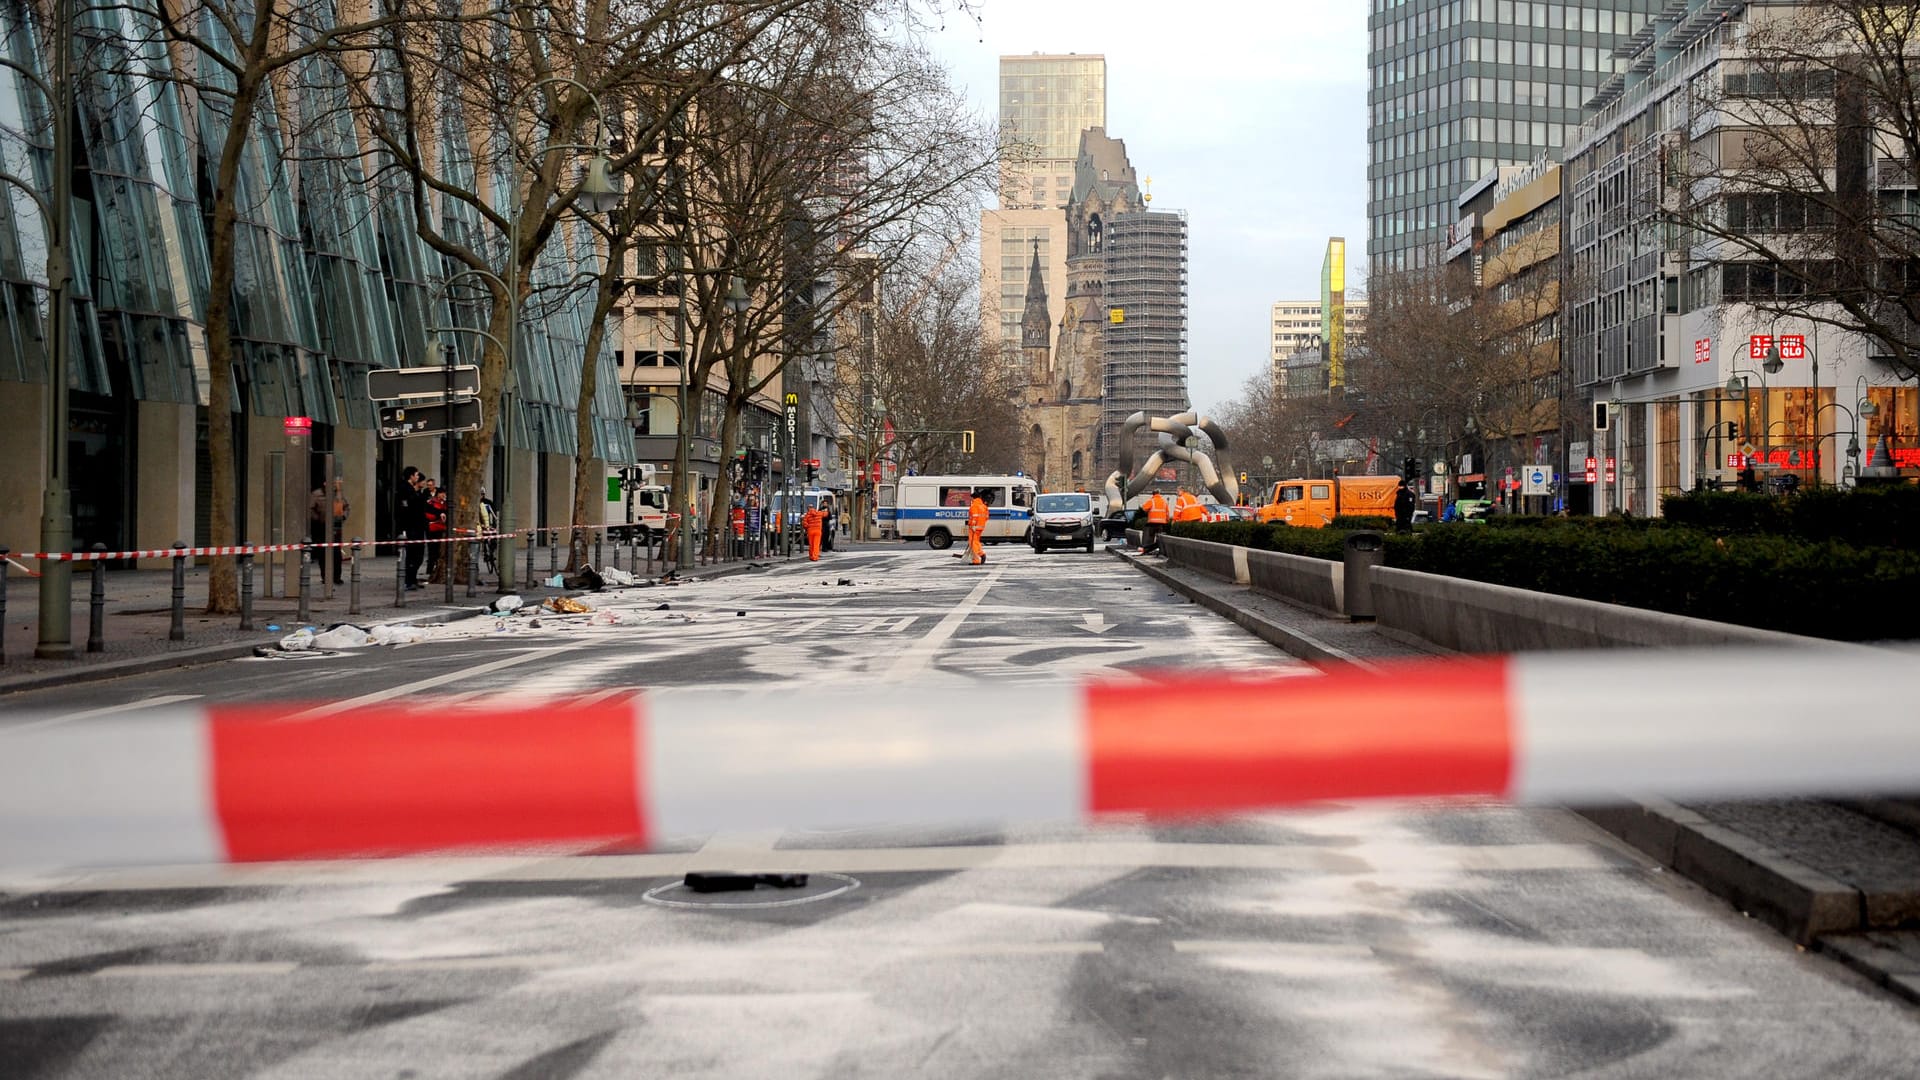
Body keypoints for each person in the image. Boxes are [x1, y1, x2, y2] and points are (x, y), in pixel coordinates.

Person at [308, 478, 350, 585]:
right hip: (321, 527)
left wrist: (343, 517)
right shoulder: (317, 494)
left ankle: (336, 577)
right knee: (323, 553)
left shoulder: (338, 495)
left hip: (335, 526)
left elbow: (346, 507)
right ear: (324, 483)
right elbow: (310, 508)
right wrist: (317, 518)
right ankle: (325, 576)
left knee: (336, 553)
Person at [397, 466, 427, 590]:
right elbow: (406, 507)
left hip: (418, 525)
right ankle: (408, 581)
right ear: (411, 476)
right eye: (416, 475)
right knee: (412, 554)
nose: (418, 477)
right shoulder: (405, 489)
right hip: (411, 526)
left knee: (418, 554)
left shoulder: (414, 490)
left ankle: (412, 579)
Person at [966, 492, 989, 565]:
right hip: (980, 527)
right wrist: (980, 523)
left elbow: (974, 517)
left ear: (973, 498)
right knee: (976, 542)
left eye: (971, 498)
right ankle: (981, 554)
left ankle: (976, 560)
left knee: (973, 543)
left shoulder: (974, 506)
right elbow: (987, 517)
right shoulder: (983, 506)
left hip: (974, 527)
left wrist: (972, 525)